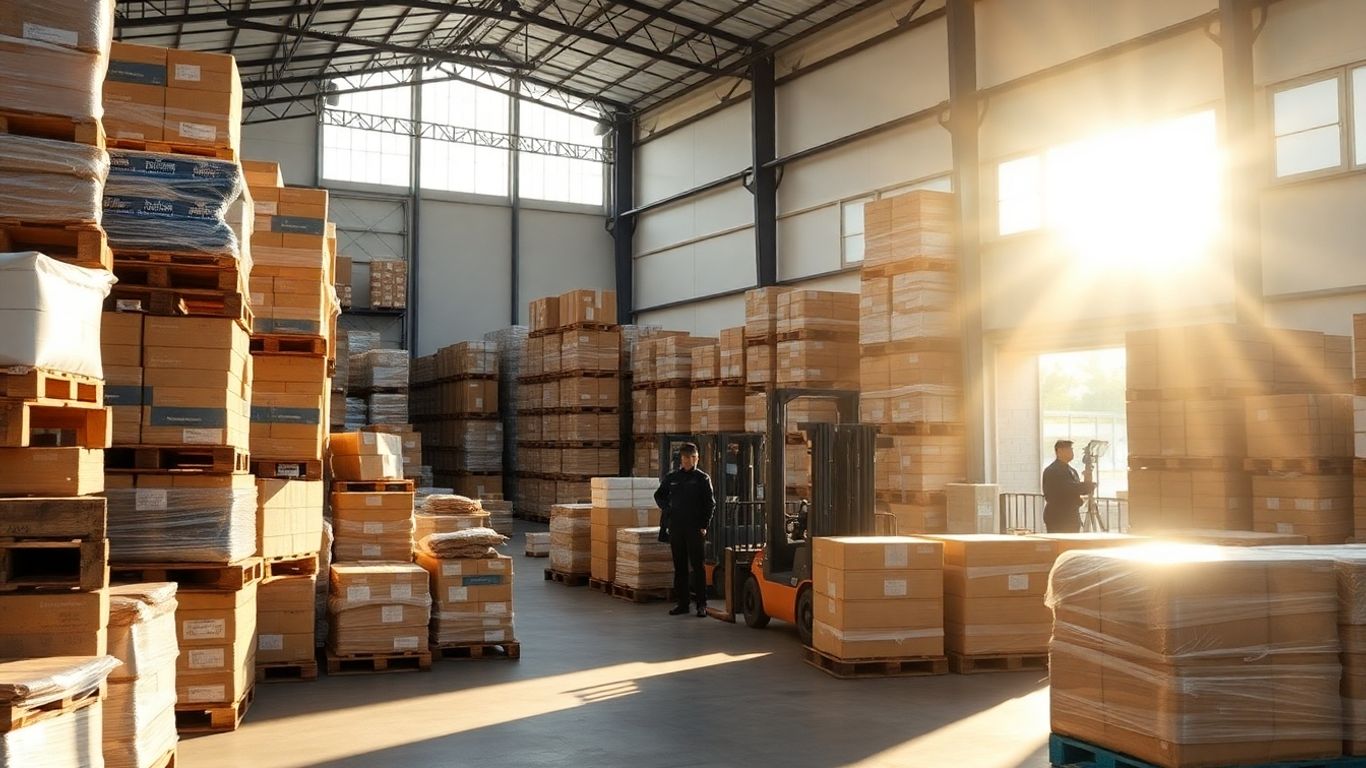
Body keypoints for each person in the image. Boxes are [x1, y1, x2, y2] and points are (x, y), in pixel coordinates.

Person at [654, 443, 715, 617]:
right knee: (680, 567)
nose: (691, 460)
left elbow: (710, 504)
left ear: (697, 458)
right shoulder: (672, 477)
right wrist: (667, 509)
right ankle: (683, 603)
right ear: (682, 458)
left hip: (695, 528)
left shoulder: (702, 479)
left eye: (694, 457)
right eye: (688, 457)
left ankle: (701, 604)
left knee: (698, 567)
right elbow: (659, 495)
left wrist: (704, 525)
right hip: (676, 528)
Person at [1041, 439, 1094, 534]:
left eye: (1071, 449)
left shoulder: (1072, 470)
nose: (1071, 452)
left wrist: (1088, 478)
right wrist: (1087, 486)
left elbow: (1080, 489)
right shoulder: (1053, 470)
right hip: (1059, 516)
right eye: (1068, 449)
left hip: (1072, 515)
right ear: (1059, 451)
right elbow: (1069, 488)